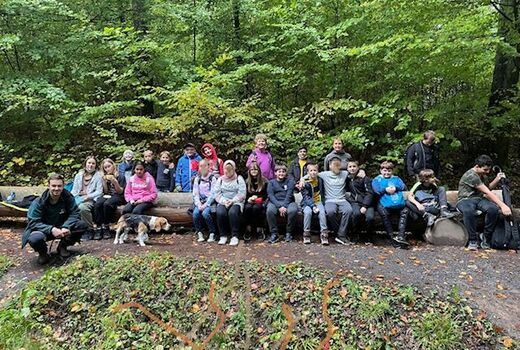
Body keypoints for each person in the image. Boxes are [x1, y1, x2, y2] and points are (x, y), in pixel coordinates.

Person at [22, 174, 88, 265]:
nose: (56, 188)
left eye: (59, 186)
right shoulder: (39, 202)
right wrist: (51, 229)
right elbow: (33, 222)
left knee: (81, 225)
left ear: (63, 186)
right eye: (53, 186)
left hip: (62, 228)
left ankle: (63, 246)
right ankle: (43, 253)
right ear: (48, 186)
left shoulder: (68, 197)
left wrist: (66, 226)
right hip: (44, 230)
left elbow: (75, 213)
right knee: (34, 238)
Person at [456, 155, 512, 251]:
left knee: (493, 209)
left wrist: (497, 179)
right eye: (485, 170)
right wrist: (503, 205)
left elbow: (488, 187)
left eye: (488, 170)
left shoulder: (482, 175)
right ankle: (472, 240)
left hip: (479, 199)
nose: (487, 172)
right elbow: (487, 192)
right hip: (465, 200)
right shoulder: (471, 175)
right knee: (468, 211)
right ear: (477, 166)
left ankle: (486, 238)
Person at [372, 161, 408, 248]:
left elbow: (404, 187)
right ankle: (391, 237)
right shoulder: (376, 179)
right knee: (384, 214)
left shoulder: (396, 178)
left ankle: (401, 236)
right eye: (385, 170)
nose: (387, 173)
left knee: (405, 211)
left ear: (392, 171)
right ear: (381, 170)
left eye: (389, 171)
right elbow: (376, 191)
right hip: (383, 202)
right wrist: (385, 190)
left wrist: (396, 188)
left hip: (398, 202)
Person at [214, 160, 246, 246]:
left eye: (230, 170)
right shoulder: (220, 180)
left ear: (234, 169)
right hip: (223, 201)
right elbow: (217, 193)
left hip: (236, 201)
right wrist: (224, 201)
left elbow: (242, 193)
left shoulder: (239, 179)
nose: (228, 172)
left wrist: (232, 201)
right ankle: (223, 235)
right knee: (220, 212)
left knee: (233, 212)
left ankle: (234, 236)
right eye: (226, 170)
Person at [70, 156, 103, 240]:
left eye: (93, 163)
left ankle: (89, 229)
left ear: (96, 165)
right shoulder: (79, 175)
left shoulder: (98, 176)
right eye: (89, 163)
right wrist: (71, 198)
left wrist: (87, 196)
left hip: (91, 199)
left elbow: (99, 191)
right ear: (85, 164)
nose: (90, 165)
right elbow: (74, 190)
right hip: (78, 198)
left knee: (82, 208)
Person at [94, 158, 126, 240]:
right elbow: (105, 191)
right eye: (105, 167)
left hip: (119, 196)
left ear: (113, 166)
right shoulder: (105, 177)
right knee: (98, 203)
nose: (108, 169)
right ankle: (99, 226)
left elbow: (120, 192)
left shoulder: (120, 176)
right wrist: (104, 182)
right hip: (108, 195)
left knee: (107, 204)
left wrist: (115, 182)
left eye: (109, 166)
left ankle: (106, 226)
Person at [266, 164, 298, 243]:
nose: (281, 173)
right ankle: (274, 233)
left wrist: (284, 206)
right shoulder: (271, 183)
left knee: (293, 210)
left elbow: (289, 194)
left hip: (288, 202)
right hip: (275, 202)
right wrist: (279, 206)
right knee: (270, 210)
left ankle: (289, 233)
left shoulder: (290, 181)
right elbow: (271, 196)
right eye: (279, 172)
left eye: (283, 172)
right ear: (275, 173)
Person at [346, 161, 375, 241]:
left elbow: (369, 193)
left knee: (370, 218)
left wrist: (365, 206)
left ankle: (369, 236)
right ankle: (355, 234)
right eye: (350, 167)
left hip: (367, 203)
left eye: (354, 166)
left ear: (358, 168)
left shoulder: (364, 178)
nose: (352, 168)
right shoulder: (347, 178)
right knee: (356, 214)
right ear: (347, 169)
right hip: (355, 202)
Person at [301, 162, 329, 245]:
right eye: (311, 170)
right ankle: (306, 234)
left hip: (318, 201)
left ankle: (324, 234)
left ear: (317, 171)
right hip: (307, 203)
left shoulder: (320, 180)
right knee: (307, 212)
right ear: (308, 172)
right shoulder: (304, 182)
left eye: (315, 170)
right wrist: (313, 206)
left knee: (322, 213)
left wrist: (321, 203)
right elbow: (306, 197)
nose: (313, 172)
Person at [192, 159, 217, 243]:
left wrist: (206, 204)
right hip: (200, 202)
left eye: (205, 166)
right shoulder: (197, 179)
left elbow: (213, 193)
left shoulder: (212, 178)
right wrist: (198, 204)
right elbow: (195, 193)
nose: (203, 168)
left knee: (205, 213)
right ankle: (200, 232)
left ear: (209, 166)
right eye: (200, 166)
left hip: (209, 202)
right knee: (195, 214)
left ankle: (212, 232)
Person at [243, 163, 268, 241]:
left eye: (256, 169)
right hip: (250, 200)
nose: (254, 171)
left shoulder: (264, 181)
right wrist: (249, 198)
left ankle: (259, 229)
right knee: (247, 208)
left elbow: (266, 194)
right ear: (249, 171)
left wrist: (257, 197)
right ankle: (248, 228)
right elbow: (244, 194)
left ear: (259, 170)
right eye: (252, 170)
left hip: (261, 201)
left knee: (257, 208)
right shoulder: (247, 181)